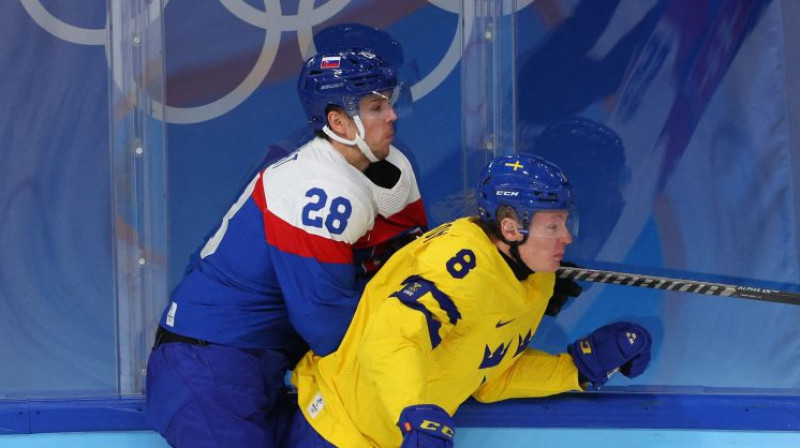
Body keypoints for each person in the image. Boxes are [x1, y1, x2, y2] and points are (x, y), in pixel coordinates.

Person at [145, 25, 427, 448]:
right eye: (376, 104)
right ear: (338, 119)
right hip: (210, 365)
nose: (393, 114)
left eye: (389, 98)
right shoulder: (313, 181)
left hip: (257, 364)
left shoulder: (385, 165)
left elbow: (406, 262)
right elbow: (327, 326)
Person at [286, 153, 652, 447]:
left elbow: (489, 376)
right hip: (335, 428)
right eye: (552, 226)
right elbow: (386, 341)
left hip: (393, 436)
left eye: (565, 224)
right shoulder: (457, 267)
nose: (566, 239)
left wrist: (573, 371)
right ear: (510, 227)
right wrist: (414, 413)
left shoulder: (535, 279)